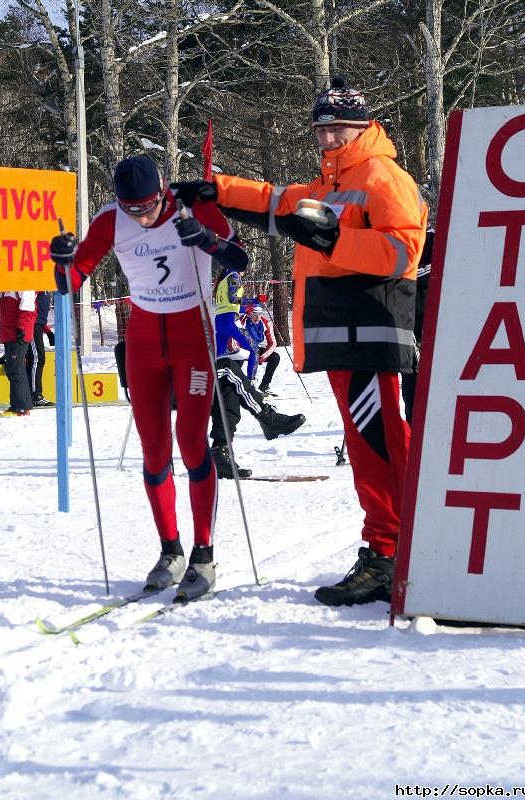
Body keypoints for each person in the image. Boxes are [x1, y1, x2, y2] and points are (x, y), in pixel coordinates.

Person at [174, 76, 428, 605]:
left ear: (363, 128)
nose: (330, 140)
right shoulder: (326, 186)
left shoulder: (384, 177)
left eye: (339, 130)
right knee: (370, 447)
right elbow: (274, 203)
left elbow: (405, 251)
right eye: (322, 131)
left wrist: (336, 240)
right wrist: (216, 190)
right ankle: (397, 547)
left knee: (379, 447)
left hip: (370, 333)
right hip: (342, 337)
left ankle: (391, 552)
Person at [49, 154, 248, 601]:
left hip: (191, 333)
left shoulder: (191, 205)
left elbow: (241, 260)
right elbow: (71, 280)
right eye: (131, 209)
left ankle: (204, 553)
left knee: (193, 441)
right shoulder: (110, 219)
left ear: (163, 191)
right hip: (143, 339)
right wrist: (61, 261)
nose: (141, 217)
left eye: (149, 207)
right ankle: (170, 550)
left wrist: (207, 240)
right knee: (154, 449)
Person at [209, 266, 306, 479]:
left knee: (230, 389)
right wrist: (250, 302)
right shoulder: (232, 275)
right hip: (219, 337)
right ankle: (266, 416)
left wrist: (253, 302)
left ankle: (221, 452)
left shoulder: (225, 277)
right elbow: (234, 300)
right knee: (233, 368)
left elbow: (234, 302)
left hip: (222, 331)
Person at [401, 229, 434, 425]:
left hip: (428, 317)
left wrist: (403, 274)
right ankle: (413, 421)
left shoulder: (434, 238)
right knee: (410, 371)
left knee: (424, 371)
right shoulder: (396, 237)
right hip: (405, 317)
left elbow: (436, 268)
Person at [0, 291, 37, 417]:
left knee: (14, 370)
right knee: (18, 369)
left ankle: (19, 407)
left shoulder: (22, 282)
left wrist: (22, 327)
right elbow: (2, 314)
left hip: (17, 334)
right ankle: (25, 405)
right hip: (9, 334)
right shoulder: (7, 288)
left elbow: (28, 306)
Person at [240, 302, 280, 396]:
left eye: (260, 314)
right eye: (254, 314)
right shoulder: (243, 321)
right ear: (249, 313)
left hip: (255, 348)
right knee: (237, 361)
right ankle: (240, 387)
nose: (257, 317)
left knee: (275, 357)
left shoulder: (264, 322)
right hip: (242, 348)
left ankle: (264, 386)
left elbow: (273, 343)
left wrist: (263, 356)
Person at [25, 291, 55, 407]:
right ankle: (35, 394)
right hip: (30, 324)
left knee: (38, 358)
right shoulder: (36, 285)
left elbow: (40, 314)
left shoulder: (46, 288)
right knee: (36, 358)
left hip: (38, 325)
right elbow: (29, 308)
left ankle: (32, 394)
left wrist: (48, 332)